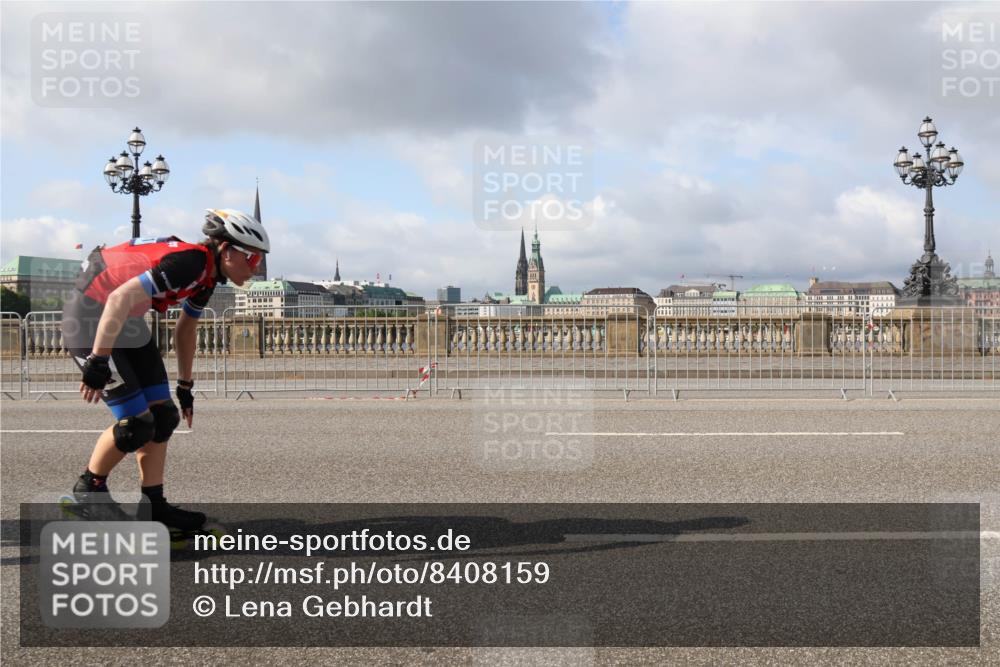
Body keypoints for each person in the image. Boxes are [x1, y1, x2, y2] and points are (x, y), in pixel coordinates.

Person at [63, 209, 269, 531]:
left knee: (164, 417)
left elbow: (185, 329)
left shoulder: (207, 277)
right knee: (136, 425)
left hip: (125, 320)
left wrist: (185, 386)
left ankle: (153, 506)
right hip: (90, 318)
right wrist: (98, 360)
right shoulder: (191, 263)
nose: (256, 268)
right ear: (227, 250)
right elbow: (117, 298)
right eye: (252, 258)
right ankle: (89, 492)